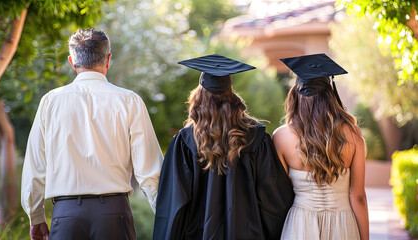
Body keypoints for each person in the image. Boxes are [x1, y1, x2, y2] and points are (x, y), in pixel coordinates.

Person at [21, 28, 163, 240]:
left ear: (72, 61)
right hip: (115, 217)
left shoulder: (50, 102)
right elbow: (150, 173)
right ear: (108, 60)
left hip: (66, 216)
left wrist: (36, 216)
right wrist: (165, 216)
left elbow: (36, 167)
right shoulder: (129, 101)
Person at [153, 54, 294, 240]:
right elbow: (274, 200)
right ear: (231, 93)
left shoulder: (185, 141)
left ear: (198, 96)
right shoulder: (256, 139)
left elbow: (173, 205)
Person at [273, 53, 369, 240]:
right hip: (343, 225)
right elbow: (358, 197)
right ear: (331, 95)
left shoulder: (281, 137)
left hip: (300, 225)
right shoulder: (353, 134)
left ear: (295, 95)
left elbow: (281, 193)